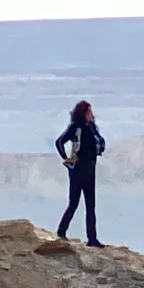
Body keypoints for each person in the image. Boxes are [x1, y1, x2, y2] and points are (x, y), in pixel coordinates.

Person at [54, 100, 106, 246]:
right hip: (78, 170)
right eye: (89, 112)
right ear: (83, 113)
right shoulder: (75, 127)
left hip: (90, 169)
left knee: (91, 206)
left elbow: (99, 144)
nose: (91, 114)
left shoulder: (92, 128)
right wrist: (66, 158)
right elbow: (59, 142)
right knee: (74, 203)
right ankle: (61, 231)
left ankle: (92, 238)